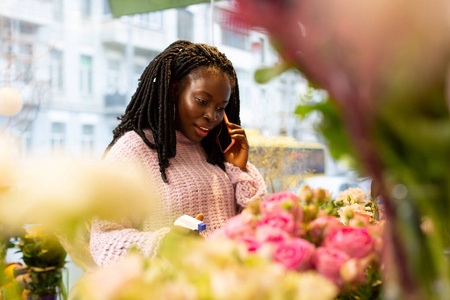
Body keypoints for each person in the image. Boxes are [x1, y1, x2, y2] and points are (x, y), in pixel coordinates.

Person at [89, 40, 267, 267]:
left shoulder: (216, 150)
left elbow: (258, 227)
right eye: (202, 101)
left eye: (220, 107)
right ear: (175, 91)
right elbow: (104, 240)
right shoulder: (133, 150)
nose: (211, 116)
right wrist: (163, 245)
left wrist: (239, 169)